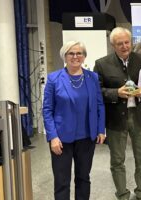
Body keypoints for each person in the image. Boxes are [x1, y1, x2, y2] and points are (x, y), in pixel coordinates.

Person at [93, 27, 141, 200]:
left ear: (131, 42)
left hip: (139, 115)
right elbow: (96, 91)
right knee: (117, 160)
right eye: (119, 43)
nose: (124, 46)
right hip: (115, 118)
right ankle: (122, 194)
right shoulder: (101, 64)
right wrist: (116, 93)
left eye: (127, 42)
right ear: (113, 45)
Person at [43, 41, 106, 200]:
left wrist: (100, 129)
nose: (75, 56)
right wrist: (52, 137)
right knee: (62, 181)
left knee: (83, 178)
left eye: (79, 53)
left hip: (86, 137)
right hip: (61, 139)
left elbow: (99, 105)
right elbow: (47, 110)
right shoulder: (54, 78)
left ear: (84, 56)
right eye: (71, 53)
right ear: (64, 56)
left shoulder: (93, 77)